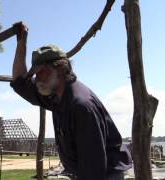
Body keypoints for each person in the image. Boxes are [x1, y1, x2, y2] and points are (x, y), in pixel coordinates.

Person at [10, 22, 132, 180]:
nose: (37, 78)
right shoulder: (55, 96)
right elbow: (20, 82)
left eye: (42, 72)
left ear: (60, 69)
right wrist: (21, 42)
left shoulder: (81, 106)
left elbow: (94, 167)